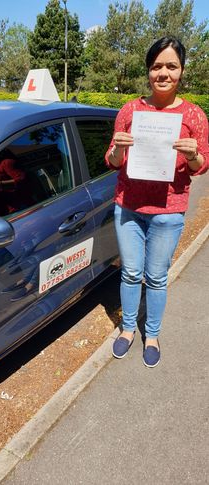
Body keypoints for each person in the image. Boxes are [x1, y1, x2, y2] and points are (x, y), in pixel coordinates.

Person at [105, 36, 209, 367]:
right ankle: (126, 330)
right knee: (131, 273)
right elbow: (112, 160)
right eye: (156, 66)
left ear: (181, 71)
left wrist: (193, 154)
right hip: (129, 208)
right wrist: (119, 149)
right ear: (148, 71)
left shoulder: (194, 115)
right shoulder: (131, 110)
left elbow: (202, 165)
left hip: (168, 210)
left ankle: (152, 333)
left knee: (157, 276)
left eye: (171, 66)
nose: (162, 73)